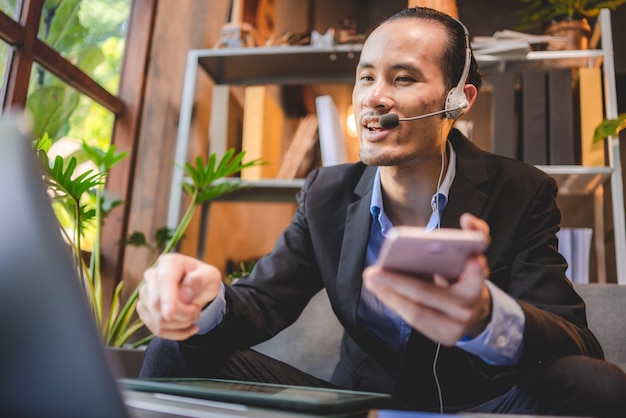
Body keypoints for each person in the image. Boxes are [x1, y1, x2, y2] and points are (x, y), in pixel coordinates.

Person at [137, 6, 626, 416]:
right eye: (366, 76)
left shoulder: (522, 191)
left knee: (592, 383)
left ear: (458, 101)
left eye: (403, 77)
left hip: (482, 407)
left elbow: (577, 343)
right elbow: (263, 302)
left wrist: (486, 318)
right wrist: (201, 301)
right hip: (360, 405)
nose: (374, 97)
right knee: (171, 350)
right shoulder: (326, 192)